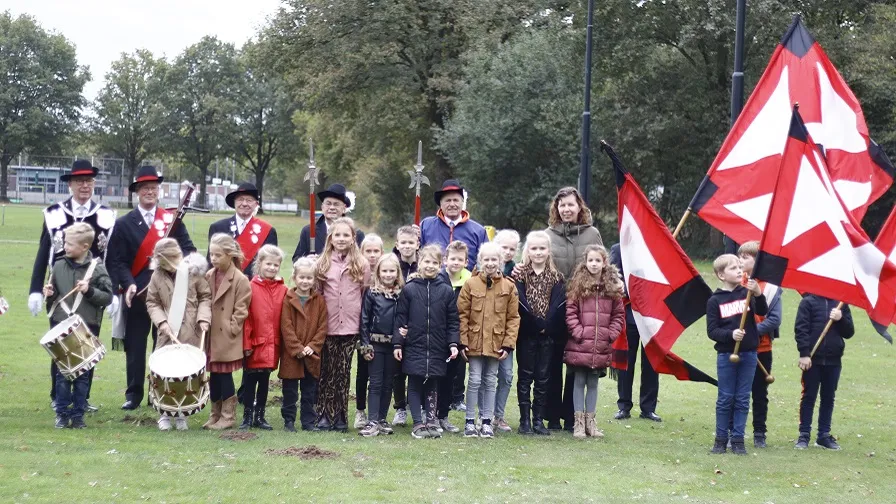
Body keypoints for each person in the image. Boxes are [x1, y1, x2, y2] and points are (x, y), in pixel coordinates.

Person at [106, 166, 196, 410]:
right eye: (145, 188)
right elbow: (117, 261)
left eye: (153, 188)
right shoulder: (124, 224)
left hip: (165, 295)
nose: (149, 192)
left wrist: (171, 262)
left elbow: (188, 250)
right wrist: (128, 284)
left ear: (159, 191)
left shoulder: (172, 220)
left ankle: (158, 392)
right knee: (135, 346)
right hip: (136, 295)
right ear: (137, 192)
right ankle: (133, 394)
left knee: (163, 345)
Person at [29, 160, 115, 412]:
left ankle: (82, 399)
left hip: (91, 294)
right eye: (79, 181)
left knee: (88, 345)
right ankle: (58, 396)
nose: (84, 186)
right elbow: (43, 252)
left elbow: (112, 258)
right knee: (61, 344)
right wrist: (36, 289)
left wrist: (115, 293)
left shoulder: (106, 215)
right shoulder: (54, 213)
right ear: (70, 184)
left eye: (89, 181)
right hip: (60, 291)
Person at [43, 222, 114, 428]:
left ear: (85, 247)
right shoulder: (58, 265)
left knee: (82, 376)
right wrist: (49, 293)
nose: (65, 246)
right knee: (62, 374)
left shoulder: (97, 268)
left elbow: (107, 297)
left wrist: (89, 291)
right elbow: (55, 295)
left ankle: (79, 415)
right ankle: (62, 414)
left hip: (86, 328)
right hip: (61, 326)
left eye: (70, 244)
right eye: (65, 242)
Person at [543, 187, 602, 431]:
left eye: (571, 205)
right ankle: (552, 415)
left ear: (580, 207)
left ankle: (573, 416)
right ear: (556, 209)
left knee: (577, 362)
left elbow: (601, 264)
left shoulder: (592, 234)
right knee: (553, 360)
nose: (566, 209)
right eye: (562, 205)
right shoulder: (547, 235)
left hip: (582, 308)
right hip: (554, 306)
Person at [393, 244, 460, 439]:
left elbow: (453, 321)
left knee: (432, 383)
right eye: (426, 262)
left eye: (434, 262)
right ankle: (418, 423)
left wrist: (453, 343)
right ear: (419, 263)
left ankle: (431, 421)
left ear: (440, 265)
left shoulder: (446, 291)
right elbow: (400, 318)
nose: (430, 266)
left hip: (438, 346)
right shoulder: (410, 289)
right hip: (414, 345)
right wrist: (398, 343)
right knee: (414, 383)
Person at [145, 239, 212, 431]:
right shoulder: (157, 276)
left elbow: (205, 297)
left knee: (184, 373)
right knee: (165, 372)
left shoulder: (193, 272)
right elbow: (152, 302)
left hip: (190, 328)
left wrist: (203, 318)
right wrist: (161, 322)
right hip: (167, 331)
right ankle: (164, 414)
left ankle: (181, 414)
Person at [458, 242, 520, 438]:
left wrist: (508, 345)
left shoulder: (509, 286)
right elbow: (462, 314)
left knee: (490, 381)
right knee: (474, 380)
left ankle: (487, 420)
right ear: (480, 261)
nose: (490, 263)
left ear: (500, 262)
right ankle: (469, 421)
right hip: (474, 343)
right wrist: (463, 341)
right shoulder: (470, 284)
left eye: (494, 259)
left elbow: (513, 318)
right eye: (487, 259)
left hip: (496, 343)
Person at [706, 254, 767, 455]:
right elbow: (712, 331)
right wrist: (730, 335)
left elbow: (763, 311)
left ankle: (738, 439)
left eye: (740, 267)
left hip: (749, 353)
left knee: (742, 398)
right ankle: (720, 439)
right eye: (733, 268)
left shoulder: (746, 293)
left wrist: (758, 294)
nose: (739, 271)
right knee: (725, 398)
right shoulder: (715, 300)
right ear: (721, 275)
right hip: (726, 356)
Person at [314, 217, 370, 432]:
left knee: (343, 372)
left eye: (346, 235)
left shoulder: (361, 264)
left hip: (349, 327)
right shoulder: (322, 263)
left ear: (353, 238)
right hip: (327, 327)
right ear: (331, 237)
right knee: (326, 372)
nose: (341, 239)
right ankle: (323, 415)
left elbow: (364, 295)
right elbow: (318, 295)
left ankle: (340, 416)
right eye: (337, 235)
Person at [564, 245, 625, 439]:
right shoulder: (578, 285)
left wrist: (610, 334)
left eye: (598, 260)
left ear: (604, 262)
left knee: (593, 383)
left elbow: (618, 315)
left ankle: (591, 422)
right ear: (585, 262)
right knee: (579, 381)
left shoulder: (612, 288)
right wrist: (579, 332)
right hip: (580, 344)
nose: (594, 264)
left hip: (601, 345)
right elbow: (571, 312)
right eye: (590, 260)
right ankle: (579, 423)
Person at [513, 231, 565, 436]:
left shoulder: (556, 277)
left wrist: (547, 324)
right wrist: (534, 323)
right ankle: (524, 419)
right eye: (534, 248)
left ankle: (537, 419)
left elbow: (557, 304)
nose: (538, 252)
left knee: (543, 378)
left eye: (542, 248)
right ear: (527, 250)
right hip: (526, 333)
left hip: (548, 335)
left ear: (549, 251)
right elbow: (520, 302)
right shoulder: (520, 275)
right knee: (525, 377)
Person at [203, 234, 252, 430]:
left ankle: (228, 416)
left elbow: (242, 308)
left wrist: (232, 327)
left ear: (229, 255)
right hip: (211, 334)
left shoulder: (240, 279)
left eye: (217, 255)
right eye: (211, 254)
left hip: (226, 335)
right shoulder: (209, 275)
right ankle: (215, 414)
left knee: (224, 375)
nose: (213, 258)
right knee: (213, 375)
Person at [737, 241, 783, 448]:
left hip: (761, 349)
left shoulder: (771, 288)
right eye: (740, 256)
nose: (740, 260)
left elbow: (774, 320)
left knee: (759, 393)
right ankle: (734, 431)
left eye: (745, 257)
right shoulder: (737, 283)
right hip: (738, 348)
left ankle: (759, 433)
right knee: (737, 391)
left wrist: (752, 334)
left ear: (758, 262)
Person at [610, 243, 662, 423]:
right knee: (626, 362)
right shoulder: (618, 249)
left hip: (652, 314)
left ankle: (648, 408)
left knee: (651, 363)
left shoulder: (656, 248)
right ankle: (624, 406)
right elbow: (612, 277)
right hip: (629, 313)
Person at [794, 295, 853, 450]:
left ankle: (823, 435)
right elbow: (801, 329)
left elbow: (849, 332)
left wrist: (840, 319)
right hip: (813, 359)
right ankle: (804, 434)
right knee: (809, 396)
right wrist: (804, 354)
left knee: (828, 397)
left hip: (834, 360)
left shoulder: (841, 303)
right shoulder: (808, 302)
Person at [240, 245, 288, 431]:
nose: (272, 268)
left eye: (276, 265)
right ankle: (247, 416)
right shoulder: (250, 287)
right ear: (259, 263)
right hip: (254, 343)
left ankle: (260, 416)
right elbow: (247, 318)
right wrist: (247, 342)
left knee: (265, 381)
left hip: (272, 344)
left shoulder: (282, 289)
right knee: (250, 380)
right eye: (268, 264)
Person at [279, 258, 328, 432]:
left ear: (314, 280)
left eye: (309, 278)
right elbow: (286, 326)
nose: (305, 281)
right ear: (294, 277)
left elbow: (323, 326)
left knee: (309, 391)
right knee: (290, 391)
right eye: (302, 277)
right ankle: (289, 421)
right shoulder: (288, 299)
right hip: (292, 355)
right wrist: (297, 348)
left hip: (311, 354)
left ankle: (308, 421)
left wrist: (313, 346)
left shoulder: (319, 301)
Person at [358, 254, 403, 437]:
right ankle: (372, 420)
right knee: (375, 382)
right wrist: (365, 345)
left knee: (388, 383)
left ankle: (382, 419)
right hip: (375, 344)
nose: (388, 274)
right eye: (384, 271)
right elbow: (364, 319)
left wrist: (402, 338)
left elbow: (404, 317)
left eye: (392, 271)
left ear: (397, 273)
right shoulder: (372, 292)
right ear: (378, 272)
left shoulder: (402, 293)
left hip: (394, 345)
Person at [435, 240, 473, 432]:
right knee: (435, 378)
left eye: (460, 259)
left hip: (456, 337)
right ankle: (431, 415)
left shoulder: (469, 281)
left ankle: (443, 416)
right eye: (452, 259)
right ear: (445, 260)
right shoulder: (437, 278)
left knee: (452, 377)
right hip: (436, 337)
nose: (456, 262)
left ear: (466, 262)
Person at [207, 182, 278, 277]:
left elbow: (271, 263)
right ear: (234, 202)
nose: (244, 204)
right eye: (240, 199)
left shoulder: (268, 231)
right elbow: (211, 262)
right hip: (223, 284)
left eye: (249, 200)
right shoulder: (218, 228)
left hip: (254, 287)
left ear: (256, 204)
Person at [419, 179, 488, 271]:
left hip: (466, 283)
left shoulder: (478, 231)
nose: (452, 204)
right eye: (448, 200)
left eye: (456, 200)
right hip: (433, 282)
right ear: (440, 204)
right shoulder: (426, 226)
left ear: (462, 202)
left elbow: (487, 260)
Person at [490, 229, 521, 432]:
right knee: (485, 376)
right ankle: (485, 415)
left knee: (507, 375)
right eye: (504, 247)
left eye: (512, 248)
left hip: (508, 332)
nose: (508, 252)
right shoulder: (485, 268)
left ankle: (498, 415)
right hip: (486, 331)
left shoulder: (518, 272)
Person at [390, 225, 420, 426]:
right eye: (404, 243)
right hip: (397, 322)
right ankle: (400, 407)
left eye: (411, 242)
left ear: (418, 244)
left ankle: (419, 407)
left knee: (416, 368)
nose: (407, 246)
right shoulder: (392, 266)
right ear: (397, 245)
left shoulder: (423, 265)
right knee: (397, 369)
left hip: (418, 324)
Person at [354, 234, 384, 429]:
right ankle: (360, 410)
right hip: (360, 328)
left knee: (380, 374)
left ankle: (379, 412)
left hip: (381, 332)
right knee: (362, 371)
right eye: (368, 251)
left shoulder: (387, 274)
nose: (372, 256)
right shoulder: (357, 274)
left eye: (376, 251)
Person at [292, 183, 365, 261]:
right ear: (322, 207)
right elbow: (296, 259)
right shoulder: (308, 231)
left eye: (336, 204)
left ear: (344, 208)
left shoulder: (356, 234)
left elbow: (363, 262)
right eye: (328, 203)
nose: (332, 207)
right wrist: (306, 260)